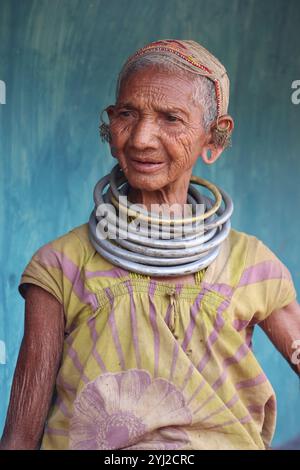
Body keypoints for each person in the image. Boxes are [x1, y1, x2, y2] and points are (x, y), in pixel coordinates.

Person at [1, 39, 299, 450]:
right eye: (128, 114)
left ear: (214, 137)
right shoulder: (60, 266)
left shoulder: (253, 265)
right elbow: (19, 435)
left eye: (170, 118)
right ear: (110, 125)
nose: (141, 138)